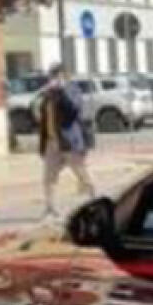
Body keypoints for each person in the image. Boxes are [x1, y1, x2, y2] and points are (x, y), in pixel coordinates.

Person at [36, 63, 95, 218]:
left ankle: (94, 200)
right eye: (51, 75)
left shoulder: (72, 90)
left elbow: (73, 110)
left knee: (81, 173)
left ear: (65, 76)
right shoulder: (49, 94)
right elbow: (41, 113)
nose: (53, 78)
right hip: (52, 141)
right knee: (49, 177)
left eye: (56, 75)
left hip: (69, 142)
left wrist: (62, 91)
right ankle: (50, 207)